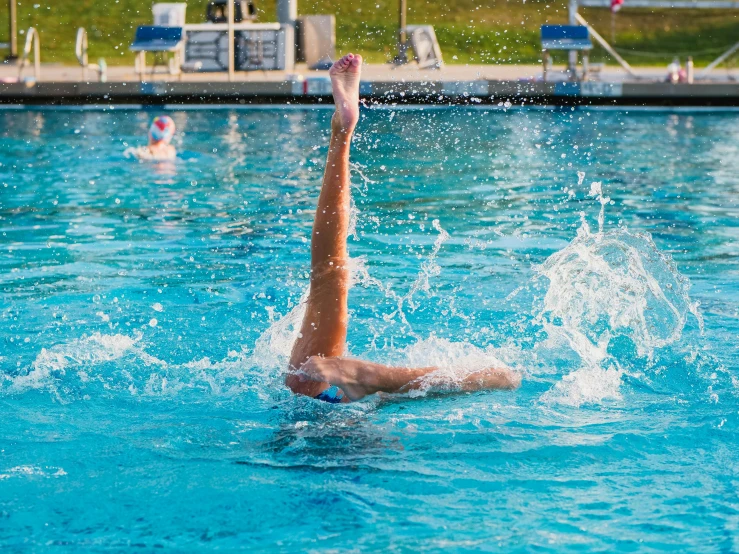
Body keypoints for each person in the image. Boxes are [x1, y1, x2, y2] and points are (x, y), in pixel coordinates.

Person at [285, 53, 521, 403]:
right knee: (326, 280)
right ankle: (342, 135)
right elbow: (505, 377)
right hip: (351, 433)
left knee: (305, 374)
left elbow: (508, 377)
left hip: (330, 433)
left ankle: (343, 134)